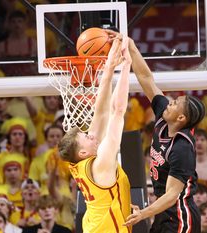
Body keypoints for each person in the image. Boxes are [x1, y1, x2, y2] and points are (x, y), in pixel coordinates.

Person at [119, 33, 205, 233]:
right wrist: (131, 46)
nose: (170, 102)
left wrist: (143, 213)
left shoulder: (182, 148)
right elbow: (146, 78)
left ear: (181, 118)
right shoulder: (162, 115)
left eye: (175, 104)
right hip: (163, 211)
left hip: (180, 216)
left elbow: (172, 195)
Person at [58, 35, 132, 233]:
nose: (91, 135)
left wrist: (109, 69)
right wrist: (126, 66)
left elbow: (101, 112)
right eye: (86, 136)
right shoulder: (101, 163)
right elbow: (118, 111)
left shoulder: (82, 160)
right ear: (83, 152)